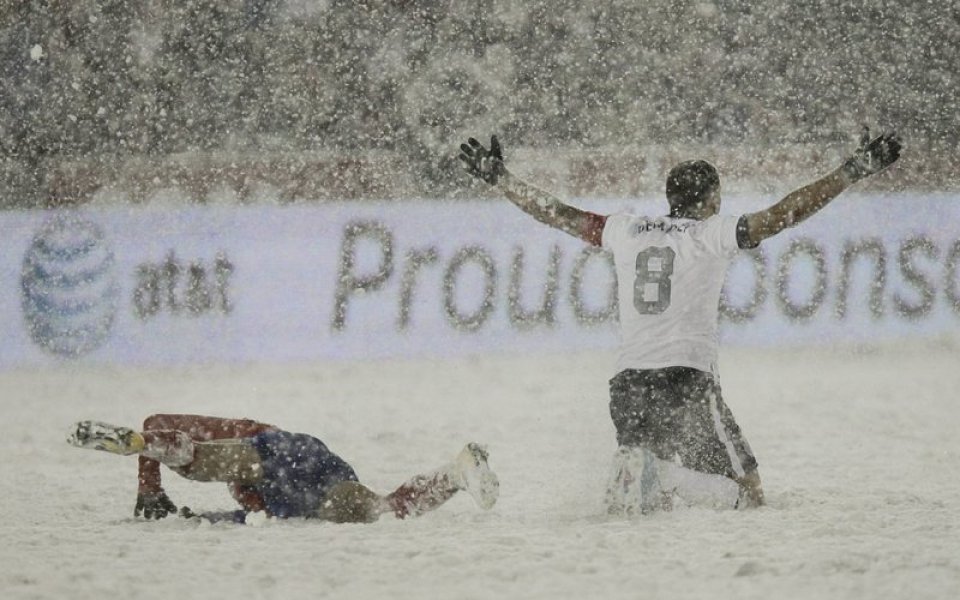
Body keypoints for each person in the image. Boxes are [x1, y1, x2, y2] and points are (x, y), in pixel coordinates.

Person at [458, 129, 901, 513]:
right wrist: (852, 170)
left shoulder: (626, 229)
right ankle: (663, 474)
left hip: (627, 383)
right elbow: (786, 213)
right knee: (748, 495)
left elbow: (555, 213)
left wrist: (501, 179)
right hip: (685, 379)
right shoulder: (711, 234)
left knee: (651, 506)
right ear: (712, 199)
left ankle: (655, 475)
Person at [67, 414, 499, 523]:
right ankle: (455, 474)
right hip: (310, 474)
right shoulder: (259, 504)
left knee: (205, 462)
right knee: (380, 509)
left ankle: (140, 446)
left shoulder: (243, 436)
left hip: (278, 453)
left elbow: (159, 419)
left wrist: (148, 485)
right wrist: (196, 516)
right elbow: (241, 517)